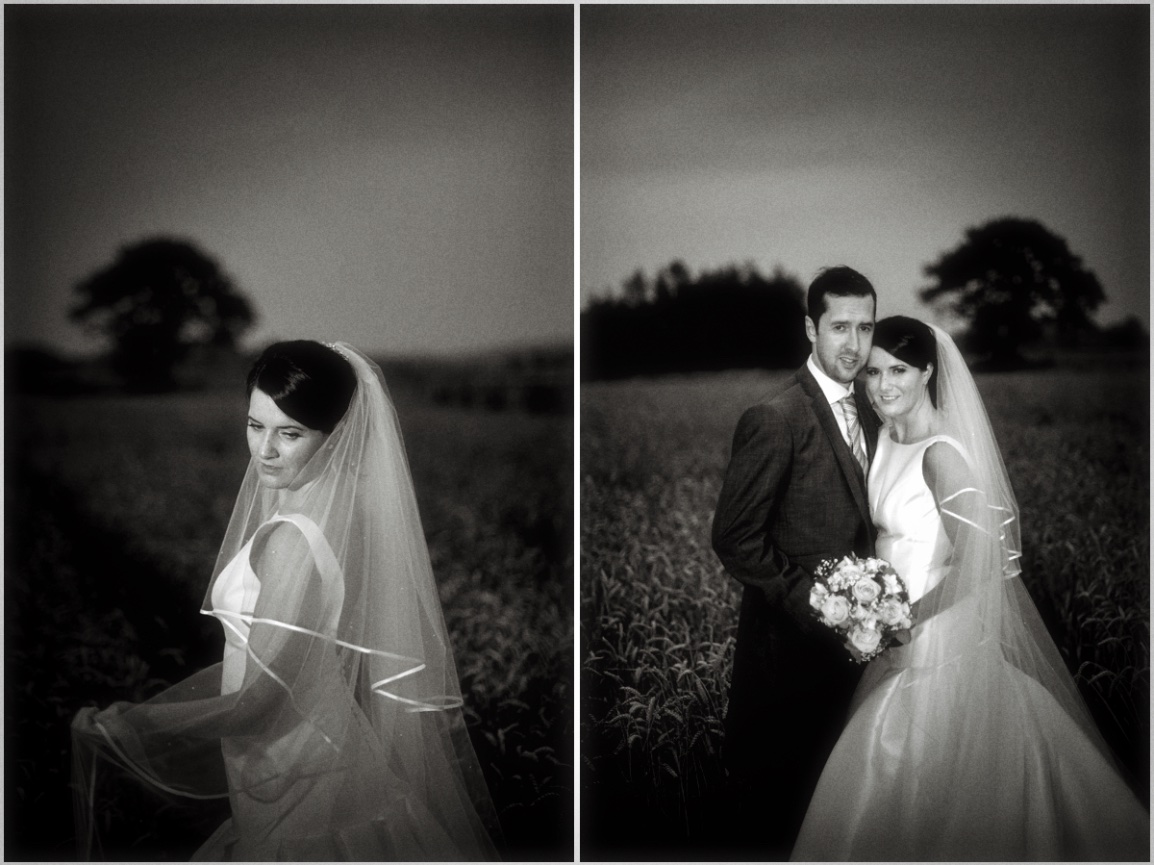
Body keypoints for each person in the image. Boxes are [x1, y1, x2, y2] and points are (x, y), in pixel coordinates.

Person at [72, 340, 501, 861]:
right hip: (293, 762)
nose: (265, 450)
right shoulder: (336, 513)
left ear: (335, 435)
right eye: (256, 425)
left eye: (290, 433)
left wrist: (133, 725)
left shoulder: (295, 538)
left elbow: (262, 698)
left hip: (305, 779)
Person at [791, 317, 1149, 860]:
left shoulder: (941, 454)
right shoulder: (886, 438)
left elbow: (982, 564)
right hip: (890, 638)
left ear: (928, 371)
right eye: (871, 372)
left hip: (940, 644)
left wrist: (905, 616)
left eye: (899, 370)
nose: (883, 385)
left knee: (926, 776)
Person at [711, 266, 881, 858]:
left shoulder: (877, 413)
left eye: (865, 327)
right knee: (784, 824)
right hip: (788, 664)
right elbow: (735, 537)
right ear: (811, 328)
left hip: (863, 668)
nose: (854, 345)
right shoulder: (776, 416)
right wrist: (818, 605)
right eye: (840, 327)